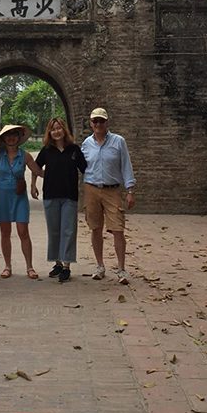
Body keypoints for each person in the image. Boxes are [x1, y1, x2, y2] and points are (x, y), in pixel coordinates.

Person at [81, 107, 135, 285]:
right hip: (91, 189)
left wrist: (130, 190)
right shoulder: (86, 144)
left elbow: (126, 165)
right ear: (91, 123)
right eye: (95, 121)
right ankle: (100, 266)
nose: (98, 124)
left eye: (101, 121)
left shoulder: (118, 142)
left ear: (107, 122)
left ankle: (121, 268)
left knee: (118, 228)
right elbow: (80, 166)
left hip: (112, 190)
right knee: (95, 228)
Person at [31, 117, 87, 283]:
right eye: (53, 129)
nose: (56, 131)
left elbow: (85, 169)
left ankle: (67, 266)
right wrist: (33, 185)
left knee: (68, 231)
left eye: (59, 128)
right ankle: (57, 262)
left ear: (64, 130)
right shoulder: (47, 150)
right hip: (51, 195)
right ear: (50, 132)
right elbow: (36, 167)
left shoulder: (74, 150)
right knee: (54, 230)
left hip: (69, 196)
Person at [0, 124, 42, 279]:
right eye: (8, 135)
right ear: (4, 138)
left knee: (23, 232)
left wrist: (60, 171)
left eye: (14, 134)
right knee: (5, 232)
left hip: (19, 197)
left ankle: (29, 267)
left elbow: (37, 171)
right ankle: (7, 266)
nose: (11, 138)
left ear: (19, 138)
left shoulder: (25, 156)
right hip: (2, 196)